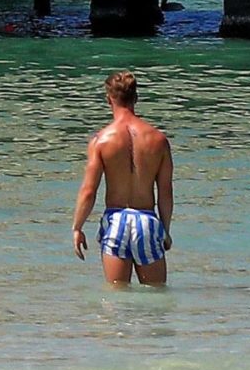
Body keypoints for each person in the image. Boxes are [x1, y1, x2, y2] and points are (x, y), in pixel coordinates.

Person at [71, 71, 174, 287]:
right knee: (156, 296)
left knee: (117, 299)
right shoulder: (158, 140)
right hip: (147, 221)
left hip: (115, 221)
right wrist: (165, 230)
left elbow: (89, 191)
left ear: (109, 99)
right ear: (136, 98)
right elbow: (165, 192)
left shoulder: (100, 141)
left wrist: (77, 227)